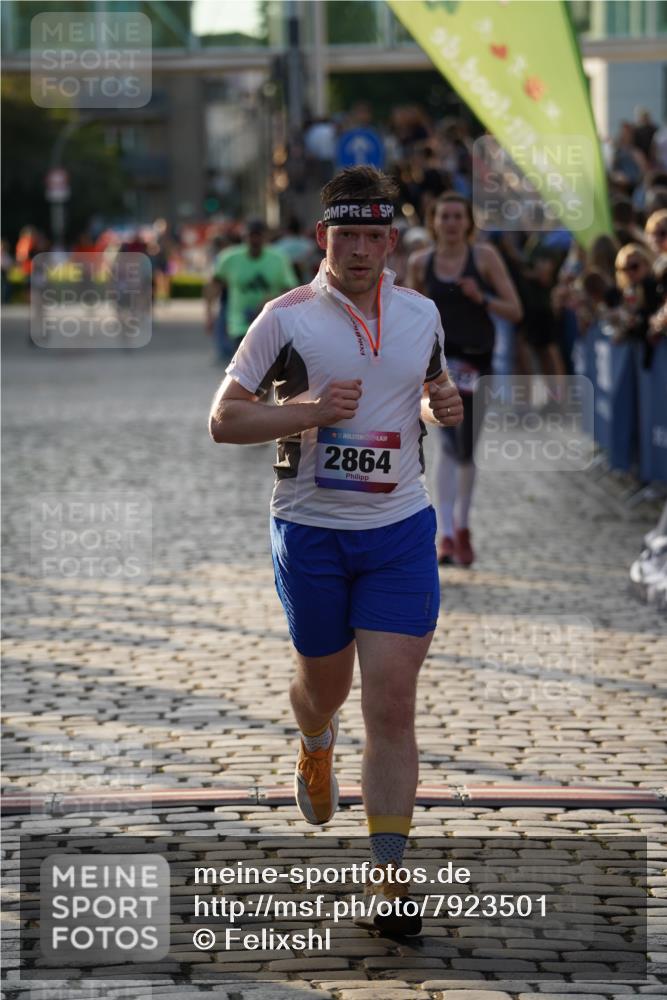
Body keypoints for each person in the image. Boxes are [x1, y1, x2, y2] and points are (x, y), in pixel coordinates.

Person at [209, 166, 463, 936]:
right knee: (325, 689)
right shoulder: (283, 318)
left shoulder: (420, 313)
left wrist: (438, 403)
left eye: (372, 236)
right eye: (344, 234)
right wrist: (310, 411)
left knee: (390, 703)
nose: (358, 250)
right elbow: (223, 420)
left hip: (399, 533)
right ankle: (313, 740)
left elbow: (426, 386)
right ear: (323, 237)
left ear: (391, 240)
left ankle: (389, 880)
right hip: (311, 533)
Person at [407, 192, 522, 566]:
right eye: (445, 216)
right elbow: (407, 314)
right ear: (434, 221)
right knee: (449, 444)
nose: (452, 223)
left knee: (467, 447)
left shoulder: (483, 258)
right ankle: (445, 534)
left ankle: (463, 525)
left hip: (477, 361)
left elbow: (515, 310)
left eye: (459, 216)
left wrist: (482, 297)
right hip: (438, 366)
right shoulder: (421, 263)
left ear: (468, 222)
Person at [205, 218, 298, 360]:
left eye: (258, 236)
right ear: (244, 237)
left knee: (267, 370)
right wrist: (209, 314)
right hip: (240, 324)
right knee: (244, 367)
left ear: (265, 237)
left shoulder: (278, 259)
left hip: (270, 325)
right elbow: (213, 285)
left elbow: (291, 290)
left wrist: (272, 301)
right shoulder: (230, 258)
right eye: (250, 236)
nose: (254, 240)